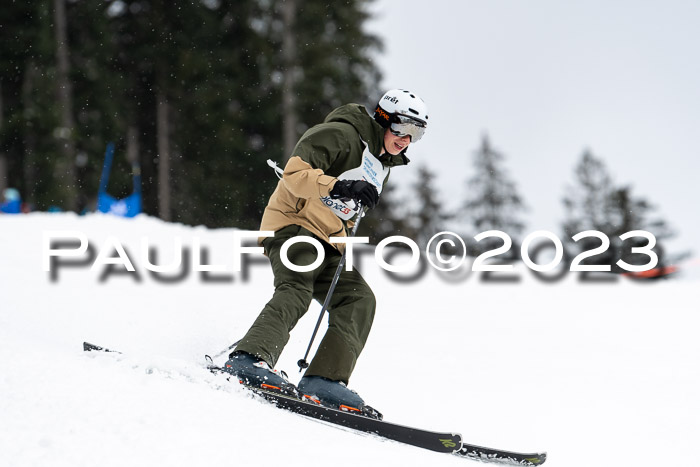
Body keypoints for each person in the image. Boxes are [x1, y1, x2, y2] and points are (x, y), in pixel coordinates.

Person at [223, 89, 428, 418]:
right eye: (403, 128)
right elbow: (294, 175)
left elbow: (343, 214)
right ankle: (247, 359)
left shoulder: (380, 165)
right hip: (292, 226)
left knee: (359, 299)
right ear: (384, 118)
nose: (406, 139)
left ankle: (324, 379)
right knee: (298, 287)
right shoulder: (342, 134)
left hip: (328, 245)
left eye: (417, 134)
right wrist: (338, 185)